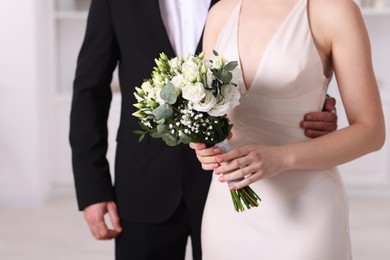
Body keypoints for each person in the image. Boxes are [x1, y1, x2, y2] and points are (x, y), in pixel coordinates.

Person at [69, 0, 337, 259]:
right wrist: (92, 187)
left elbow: (280, 61)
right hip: (144, 180)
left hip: (233, 181)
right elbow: (90, 89)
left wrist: (308, 108)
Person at [190, 0, 385, 259]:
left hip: (306, 210)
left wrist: (282, 157)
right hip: (227, 211)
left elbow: (372, 131)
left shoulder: (334, 10)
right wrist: (202, 145)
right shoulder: (220, 13)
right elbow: (209, 112)